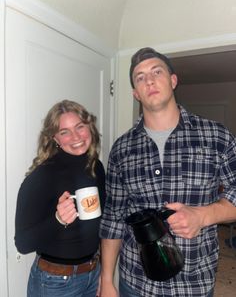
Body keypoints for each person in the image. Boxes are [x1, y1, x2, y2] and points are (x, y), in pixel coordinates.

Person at [99, 47, 236, 297]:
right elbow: (113, 217)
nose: (149, 80)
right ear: (135, 94)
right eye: (140, 77)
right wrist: (107, 279)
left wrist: (204, 215)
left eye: (156, 72)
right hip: (136, 282)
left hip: (194, 282)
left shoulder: (216, 136)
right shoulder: (121, 149)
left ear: (173, 81)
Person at [15, 99, 106, 297]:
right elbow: (22, 244)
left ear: (89, 126)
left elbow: (100, 225)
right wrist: (58, 220)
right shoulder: (42, 176)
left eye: (80, 127)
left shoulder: (96, 168)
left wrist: (102, 274)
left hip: (91, 274)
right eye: (64, 132)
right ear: (55, 138)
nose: (76, 137)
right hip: (55, 283)